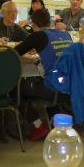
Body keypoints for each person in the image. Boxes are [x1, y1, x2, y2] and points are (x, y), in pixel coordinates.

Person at [14, 8, 73, 140]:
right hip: (69, 87)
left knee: (17, 89)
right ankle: (54, 122)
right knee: (44, 81)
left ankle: (38, 126)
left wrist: (31, 59)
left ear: (33, 24)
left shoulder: (38, 36)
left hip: (53, 88)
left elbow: (12, 55)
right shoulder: (65, 34)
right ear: (50, 21)